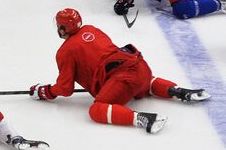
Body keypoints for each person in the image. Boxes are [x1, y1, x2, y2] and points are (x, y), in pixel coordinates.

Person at [28, 8, 208, 135]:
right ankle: (179, 91)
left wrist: (45, 91)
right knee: (145, 83)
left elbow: (65, 89)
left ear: (62, 28)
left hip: (123, 81)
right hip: (140, 67)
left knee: (97, 110)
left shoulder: (65, 52)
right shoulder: (92, 29)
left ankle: (145, 119)